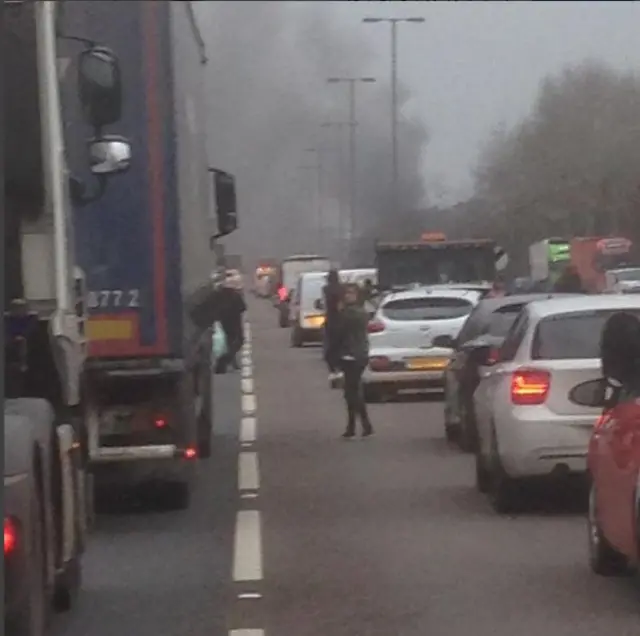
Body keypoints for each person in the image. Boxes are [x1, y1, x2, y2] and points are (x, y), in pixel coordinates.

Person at [335, 283, 374, 439]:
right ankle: (360, 426)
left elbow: (340, 330)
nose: (348, 296)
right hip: (353, 354)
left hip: (354, 355)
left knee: (352, 392)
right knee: (351, 391)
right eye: (346, 293)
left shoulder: (354, 313)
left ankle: (359, 426)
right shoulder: (356, 311)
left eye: (351, 293)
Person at [215, 273, 247, 372]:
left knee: (229, 342)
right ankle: (225, 361)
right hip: (235, 322)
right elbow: (243, 308)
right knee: (238, 340)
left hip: (223, 322)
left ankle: (231, 362)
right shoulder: (235, 295)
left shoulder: (219, 295)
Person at [322, 269, 343, 384]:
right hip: (342, 321)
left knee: (330, 346)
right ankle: (340, 368)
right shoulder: (342, 290)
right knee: (341, 345)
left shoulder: (326, 289)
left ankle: (333, 370)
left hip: (331, 321)